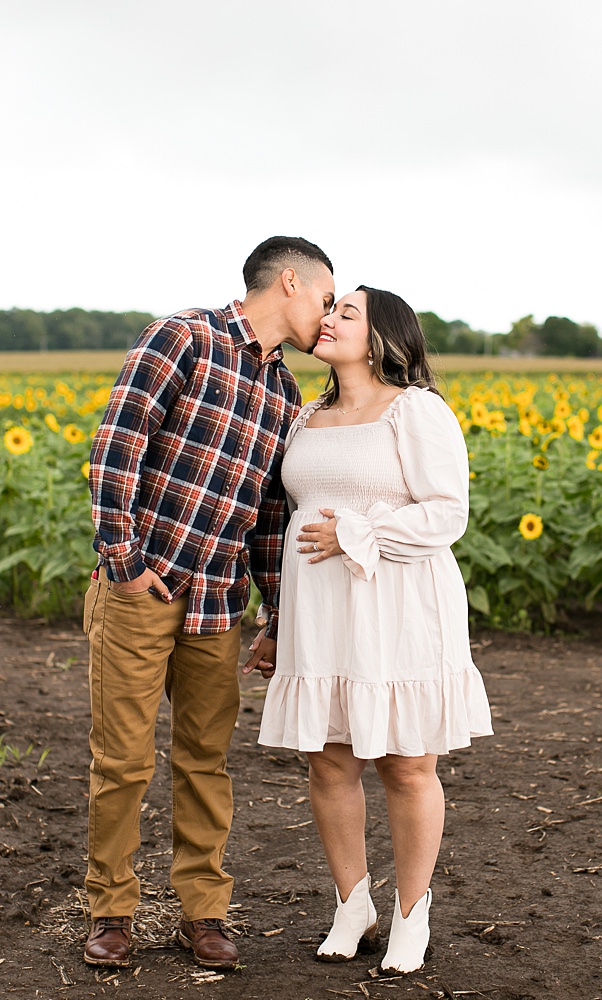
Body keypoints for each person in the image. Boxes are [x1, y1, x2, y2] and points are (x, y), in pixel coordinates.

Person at [82, 236, 335, 971]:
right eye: (326, 297)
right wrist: (124, 565)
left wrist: (279, 618)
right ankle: (112, 911)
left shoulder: (286, 394)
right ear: (290, 282)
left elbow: (268, 522)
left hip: (219, 605)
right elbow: (114, 447)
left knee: (204, 761)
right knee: (123, 761)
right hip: (140, 592)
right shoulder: (185, 337)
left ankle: (204, 913)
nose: (328, 314)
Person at [245, 285, 493, 975]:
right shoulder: (307, 414)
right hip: (320, 611)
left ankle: (413, 913)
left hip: (398, 604)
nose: (328, 320)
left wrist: (359, 530)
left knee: (407, 764)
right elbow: (292, 515)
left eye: (346, 312)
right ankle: (352, 904)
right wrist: (276, 620)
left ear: (384, 335)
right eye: (329, 310)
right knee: (327, 759)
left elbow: (448, 513)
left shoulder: (416, 410)